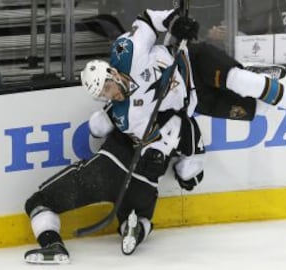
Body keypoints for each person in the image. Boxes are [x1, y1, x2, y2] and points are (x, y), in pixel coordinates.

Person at [23, 8, 205, 264]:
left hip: (107, 171)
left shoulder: (126, 52)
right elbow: (182, 166)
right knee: (140, 215)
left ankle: (53, 245)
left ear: (112, 73)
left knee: (38, 202)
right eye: (104, 96)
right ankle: (136, 228)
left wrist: (175, 23)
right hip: (143, 186)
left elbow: (149, 18)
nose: (112, 96)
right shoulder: (126, 115)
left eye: (108, 87)